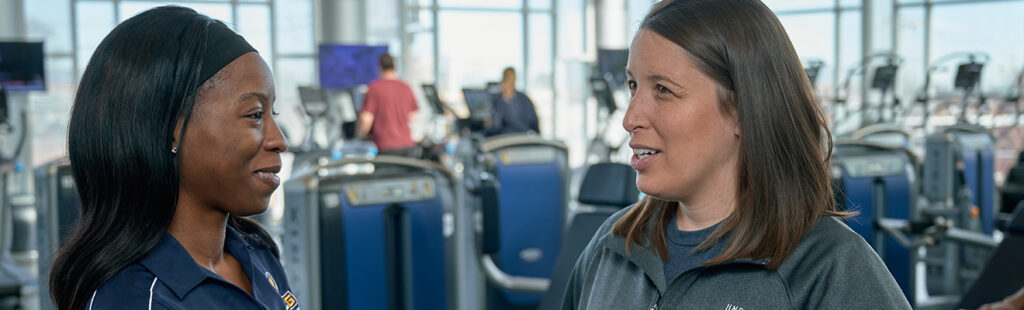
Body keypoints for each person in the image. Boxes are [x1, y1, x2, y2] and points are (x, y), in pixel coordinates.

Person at [561, 0, 910, 309]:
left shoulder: (830, 269)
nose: (630, 118)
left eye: (663, 90)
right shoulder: (613, 245)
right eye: (633, 86)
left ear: (743, 108)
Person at [49, 6, 297, 310]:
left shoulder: (256, 253)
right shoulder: (135, 300)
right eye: (255, 114)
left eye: (274, 113)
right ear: (172, 129)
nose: (279, 141)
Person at [357, 53, 419, 157]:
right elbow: (412, 116)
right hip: (407, 146)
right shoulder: (406, 87)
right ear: (394, 67)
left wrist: (360, 136)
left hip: (385, 147)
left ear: (380, 67)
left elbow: (366, 119)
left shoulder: (374, 88)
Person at [487, 67, 539, 136]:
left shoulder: (524, 99)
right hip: (503, 137)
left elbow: (533, 123)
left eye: (511, 79)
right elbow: (495, 125)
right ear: (503, 80)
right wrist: (504, 99)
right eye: (506, 79)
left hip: (523, 135)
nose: (509, 83)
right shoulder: (498, 100)